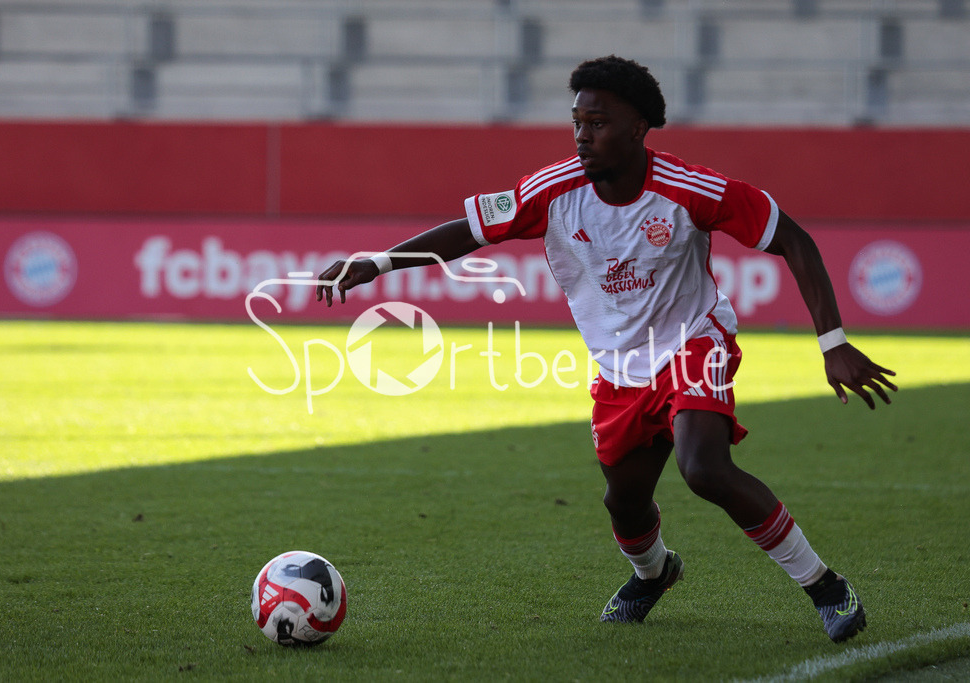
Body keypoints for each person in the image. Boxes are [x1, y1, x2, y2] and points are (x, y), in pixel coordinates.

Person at [314, 55, 897, 643]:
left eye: (597, 123)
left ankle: (826, 586)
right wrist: (377, 263)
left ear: (639, 128)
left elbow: (792, 239)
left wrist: (833, 342)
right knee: (624, 502)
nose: (582, 136)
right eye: (577, 123)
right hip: (619, 366)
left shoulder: (689, 189)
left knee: (704, 468)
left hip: (693, 341)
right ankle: (654, 574)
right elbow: (470, 230)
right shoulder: (551, 191)